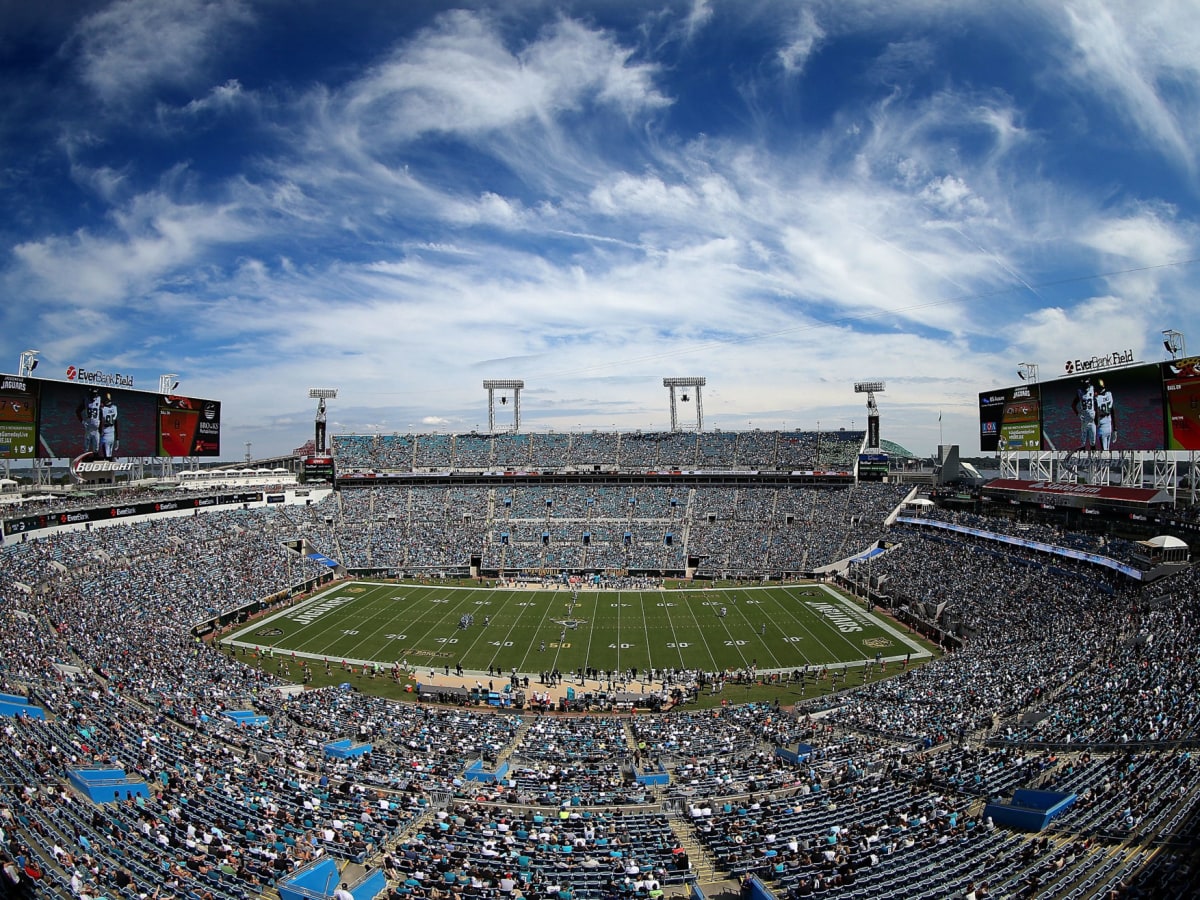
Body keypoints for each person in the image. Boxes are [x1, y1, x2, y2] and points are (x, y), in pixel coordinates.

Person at [1071, 377, 1097, 452]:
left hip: (1092, 421)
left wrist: (1096, 417)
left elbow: (1096, 403)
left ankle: (1094, 460)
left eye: (1087, 385)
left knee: (1093, 443)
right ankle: (1083, 460)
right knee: (1083, 443)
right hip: (1084, 421)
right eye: (1085, 385)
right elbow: (1073, 405)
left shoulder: (1092, 389)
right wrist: (1078, 414)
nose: (1087, 387)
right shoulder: (1080, 392)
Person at [77, 388, 102, 454]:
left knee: (96, 449)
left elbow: (102, 412)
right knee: (86, 449)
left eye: (95, 395)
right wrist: (82, 421)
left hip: (96, 429)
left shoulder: (99, 400)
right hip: (88, 428)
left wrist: (100, 426)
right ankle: (85, 461)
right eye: (93, 394)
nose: (94, 396)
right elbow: (77, 411)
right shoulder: (86, 401)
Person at [1094, 378, 1117, 450]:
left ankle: (1106, 460)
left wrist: (1095, 424)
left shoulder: (1097, 398)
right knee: (1107, 449)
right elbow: (1113, 411)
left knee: (1104, 451)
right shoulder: (1109, 394)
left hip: (1102, 425)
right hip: (1109, 424)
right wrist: (1115, 429)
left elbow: (1097, 413)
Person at [99, 391, 119, 459]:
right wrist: (117, 438)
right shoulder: (114, 408)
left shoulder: (103, 409)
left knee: (106, 455)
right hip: (112, 433)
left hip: (105, 434)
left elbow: (100, 423)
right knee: (110, 454)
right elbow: (116, 423)